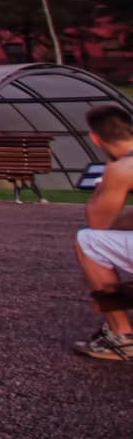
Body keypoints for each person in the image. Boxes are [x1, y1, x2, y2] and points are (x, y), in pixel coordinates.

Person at [70, 105, 133, 362]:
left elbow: (98, 222)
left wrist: (108, 175)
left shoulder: (123, 167)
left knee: (87, 241)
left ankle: (122, 336)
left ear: (95, 138)